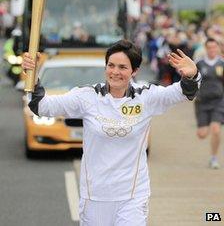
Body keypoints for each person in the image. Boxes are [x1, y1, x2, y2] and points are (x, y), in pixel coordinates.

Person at [22, 40, 200, 226]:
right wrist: (32, 77)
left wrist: (192, 75)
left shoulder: (146, 97)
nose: (115, 72)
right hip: (95, 195)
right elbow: (42, 107)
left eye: (123, 67)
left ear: (134, 71)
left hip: (132, 195)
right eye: (111, 65)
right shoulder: (87, 97)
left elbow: (183, 92)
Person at [195, 38, 224, 169]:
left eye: (214, 47)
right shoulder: (199, 64)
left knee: (216, 130)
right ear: (206, 49)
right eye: (210, 47)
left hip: (219, 101)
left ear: (218, 48)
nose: (212, 50)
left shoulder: (222, 63)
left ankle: (213, 158)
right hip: (202, 102)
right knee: (202, 134)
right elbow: (191, 80)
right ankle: (203, 128)